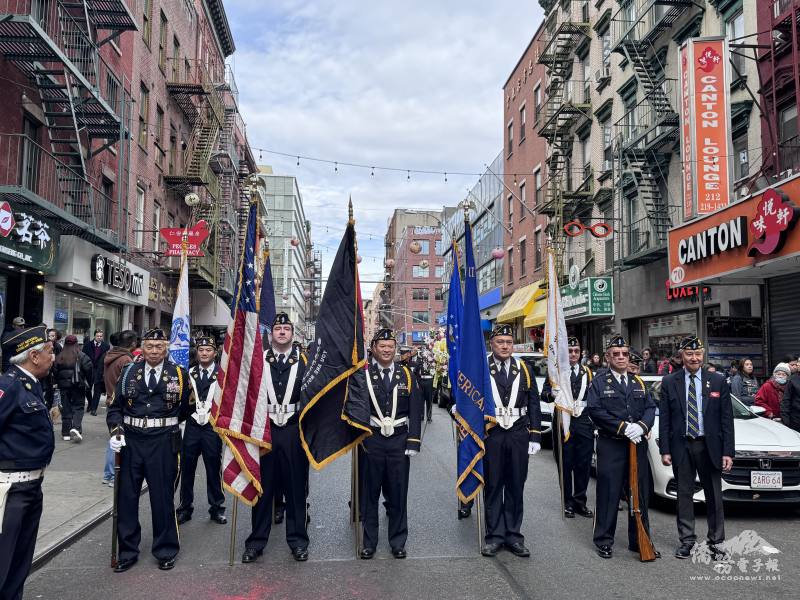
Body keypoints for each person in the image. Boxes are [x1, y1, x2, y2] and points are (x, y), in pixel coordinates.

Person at [106, 328, 194, 573]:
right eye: (149, 346)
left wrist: (165, 424)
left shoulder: (179, 374)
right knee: (127, 498)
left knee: (162, 497)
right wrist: (116, 431)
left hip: (163, 443)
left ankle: (165, 549)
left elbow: (188, 406)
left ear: (166, 348)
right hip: (132, 442)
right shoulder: (127, 373)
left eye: (159, 346)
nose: (154, 351)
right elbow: (115, 408)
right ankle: (127, 551)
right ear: (141, 347)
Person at [658, 336, 734, 561]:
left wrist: (728, 452)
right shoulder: (670, 381)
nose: (694, 358)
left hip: (709, 447)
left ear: (703, 355)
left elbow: (726, 419)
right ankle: (687, 540)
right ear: (681, 356)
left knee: (714, 496)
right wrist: (665, 449)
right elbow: (665, 418)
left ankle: (716, 542)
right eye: (689, 354)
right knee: (684, 495)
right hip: (681, 446)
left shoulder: (718, 381)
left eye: (698, 354)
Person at [243, 314, 310, 563]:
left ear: (293, 333)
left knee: (295, 489)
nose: (282, 332)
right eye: (278, 328)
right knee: (263, 489)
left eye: (286, 328)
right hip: (265, 431)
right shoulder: (258, 361)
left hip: (293, 430)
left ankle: (298, 541)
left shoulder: (304, 360)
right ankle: (256, 542)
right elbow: (245, 393)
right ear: (271, 333)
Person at [587, 334, 657, 560]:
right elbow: (595, 411)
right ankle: (604, 540)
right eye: (615, 354)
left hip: (637, 445)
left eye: (624, 354)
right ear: (607, 357)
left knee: (640, 494)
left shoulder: (637, 382)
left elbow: (650, 408)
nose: (620, 357)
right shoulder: (599, 382)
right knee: (609, 493)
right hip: (612, 444)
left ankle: (639, 540)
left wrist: (642, 426)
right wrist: (622, 427)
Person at [0, 326, 56, 599]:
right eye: (49, 351)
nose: (53, 356)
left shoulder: (30, 384)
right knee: (5, 561)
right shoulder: (8, 386)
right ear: (33, 356)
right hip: (11, 491)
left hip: (31, 487)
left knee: (20, 562)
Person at [358, 328, 422, 560]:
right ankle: (369, 543)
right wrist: (358, 437)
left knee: (398, 493)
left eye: (390, 346)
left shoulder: (406, 375)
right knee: (370, 495)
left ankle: (398, 541)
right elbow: (356, 408)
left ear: (395, 349)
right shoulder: (363, 375)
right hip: (371, 440)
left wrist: (413, 441)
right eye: (382, 346)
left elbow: (416, 410)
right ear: (374, 348)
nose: (386, 350)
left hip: (399, 440)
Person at [480, 323, 542, 558]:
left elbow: (534, 403)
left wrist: (535, 434)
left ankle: (514, 536)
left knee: (516, 485)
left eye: (508, 342)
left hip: (517, 432)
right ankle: (495, 536)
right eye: (500, 342)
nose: (505, 346)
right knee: (494, 484)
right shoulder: (482, 368)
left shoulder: (524, 369)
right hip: (492, 433)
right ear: (492, 344)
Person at [541, 336, 594, 519]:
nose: (573, 354)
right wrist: (552, 394)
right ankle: (568, 503)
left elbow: (594, 398)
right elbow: (544, 395)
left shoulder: (588, 372)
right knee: (565, 463)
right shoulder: (555, 373)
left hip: (583, 423)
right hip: (563, 422)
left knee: (584, 464)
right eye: (569, 351)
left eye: (576, 351)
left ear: (580, 353)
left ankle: (580, 502)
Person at [178, 336, 226, 526]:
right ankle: (185, 508)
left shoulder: (223, 374)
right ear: (197, 353)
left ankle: (217, 508)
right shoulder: (188, 373)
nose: (204, 353)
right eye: (201, 350)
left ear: (215, 353)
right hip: (191, 426)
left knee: (213, 469)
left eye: (208, 350)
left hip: (211, 428)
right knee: (187, 468)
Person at [102, 330, 138, 486]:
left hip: (111, 400)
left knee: (114, 439)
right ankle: (112, 475)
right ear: (133, 344)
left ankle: (108, 474)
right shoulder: (125, 360)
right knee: (118, 440)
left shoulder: (111, 355)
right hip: (120, 404)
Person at [53, 335, 93, 443]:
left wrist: (59, 382)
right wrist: (90, 383)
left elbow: (55, 372)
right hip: (78, 386)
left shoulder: (59, 356)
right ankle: (76, 428)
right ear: (77, 344)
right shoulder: (82, 356)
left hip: (64, 387)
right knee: (78, 407)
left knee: (66, 408)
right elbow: (89, 370)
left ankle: (65, 432)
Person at [84, 329, 110, 416]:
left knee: (97, 391)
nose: (99, 338)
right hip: (89, 370)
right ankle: (90, 404)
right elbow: (83, 357)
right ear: (94, 336)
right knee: (87, 389)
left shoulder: (106, 346)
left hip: (99, 371)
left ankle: (93, 409)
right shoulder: (87, 345)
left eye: (101, 336)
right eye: (98, 336)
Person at [781, 364, 800, 432]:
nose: (798, 364)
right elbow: (786, 401)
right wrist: (786, 421)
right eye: (798, 362)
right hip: (796, 420)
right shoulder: (792, 380)